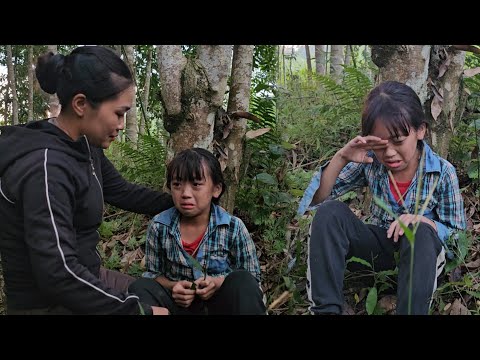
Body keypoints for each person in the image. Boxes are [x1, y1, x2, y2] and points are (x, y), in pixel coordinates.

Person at [0, 46, 173, 315]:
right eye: (118, 113)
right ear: (81, 104)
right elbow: (58, 272)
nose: (121, 124)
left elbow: (122, 192)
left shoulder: (84, 145)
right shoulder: (45, 167)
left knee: (161, 296)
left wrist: (182, 204)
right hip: (47, 304)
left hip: (85, 278)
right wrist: (137, 312)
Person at [297, 80, 467, 315]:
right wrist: (341, 158)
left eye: (398, 141)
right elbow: (317, 200)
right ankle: (325, 310)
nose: (389, 153)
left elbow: (458, 236)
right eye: (379, 145)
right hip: (376, 259)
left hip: (420, 265)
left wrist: (425, 222)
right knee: (329, 213)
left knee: (419, 232)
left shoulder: (441, 172)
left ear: (420, 130)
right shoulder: (371, 162)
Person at [128, 148, 266, 315]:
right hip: (179, 306)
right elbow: (152, 275)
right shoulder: (159, 226)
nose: (185, 194)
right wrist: (174, 287)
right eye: (177, 185)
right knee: (140, 287)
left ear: (216, 189)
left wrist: (216, 283)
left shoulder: (232, 227)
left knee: (243, 281)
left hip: (220, 306)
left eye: (196, 185)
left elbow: (253, 278)